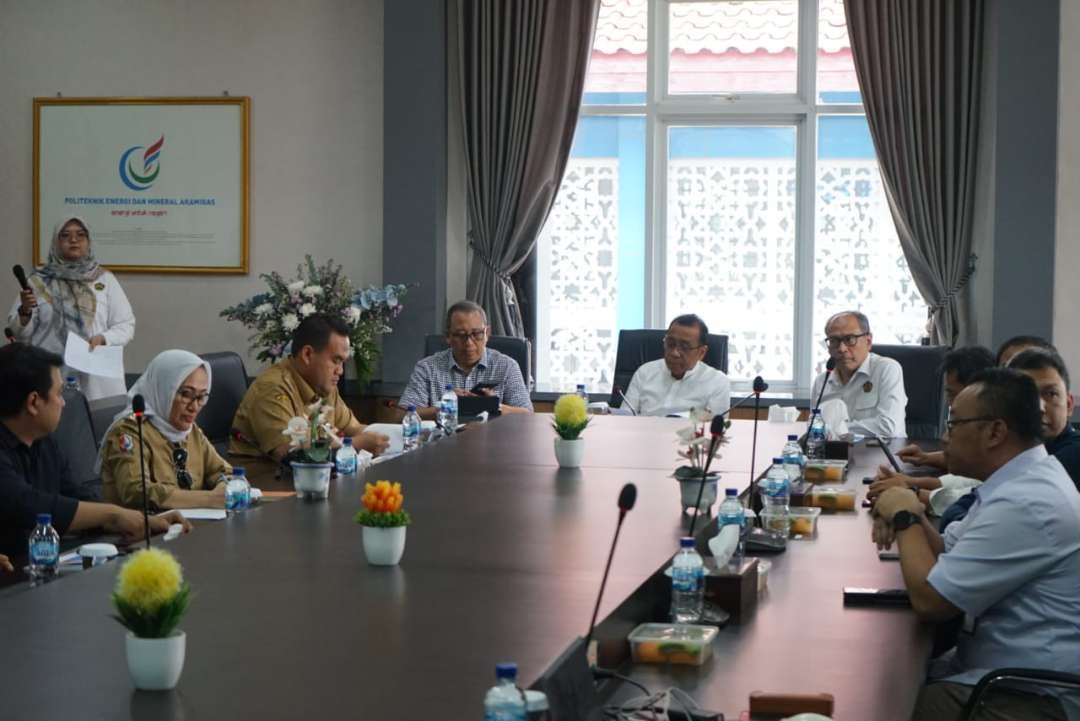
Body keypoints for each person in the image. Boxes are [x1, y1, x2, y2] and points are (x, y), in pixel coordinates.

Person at [872, 369, 1080, 721]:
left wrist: (906, 518)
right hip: (996, 671)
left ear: (995, 432)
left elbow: (931, 601)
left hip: (1034, 696)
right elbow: (950, 554)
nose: (944, 437)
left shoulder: (1028, 502)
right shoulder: (1014, 483)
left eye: (953, 425)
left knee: (887, 704)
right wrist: (913, 510)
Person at [0, 343, 189, 557]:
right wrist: (112, 515)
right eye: (59, 393)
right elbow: (27, 504)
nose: (63, 403)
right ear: (34, 402)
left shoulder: (44, 443)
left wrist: (140, 519)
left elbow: (77, 496)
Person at [6, 217, 135, 400]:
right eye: (65, 235)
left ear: (88, 242)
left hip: (97, 379)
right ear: (55, 242)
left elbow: (126, 325)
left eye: (80, 235)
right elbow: (19, 334)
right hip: (49, 375)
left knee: (97, 427)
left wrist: (104, 338)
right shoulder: (38, 282)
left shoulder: (104, 279)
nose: (73, 240)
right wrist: (25, 312)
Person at [231, 315, 390, 461]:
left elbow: (353, 428)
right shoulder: (272, 388)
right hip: (264, 481)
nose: (340, 370)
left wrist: (385, 438)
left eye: (343, 362)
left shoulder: (324, 385)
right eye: (336, 360)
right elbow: (289, 452)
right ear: (307, 354)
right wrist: (354, 444)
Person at [99, 350, 232, 510]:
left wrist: (225, 487)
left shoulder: (190, 430)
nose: (194, 407)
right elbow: (136, 491)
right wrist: (208, 499)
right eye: (186, 394)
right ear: (162, 389)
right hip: (141, 530)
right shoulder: (130, 430)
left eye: (201, 397)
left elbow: (224, 472)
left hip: (190, 524)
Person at [868, 346, 995, 513]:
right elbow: (968, 481)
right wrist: (916, 472)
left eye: (953, 394)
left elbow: (971, 498)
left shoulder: (993, 423)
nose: (951, 402)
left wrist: (910, 493)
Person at [398, 300, 532, 419]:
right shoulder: (427, 368)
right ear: (448, 336)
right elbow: (402, 415)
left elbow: (527, 415)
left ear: (487, 333)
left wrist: (493, 406)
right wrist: (445, 407)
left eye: (477, 334)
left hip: (491, 442)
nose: (469, 343)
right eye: (461, 335)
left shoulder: (507, 366)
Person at [810, 311, 907, 437]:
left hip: (880, 453)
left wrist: (837, 429)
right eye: (834, 341)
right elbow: (814, 429)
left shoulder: (886, 369)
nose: (841, 348)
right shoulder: (821, 382)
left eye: (850, 339)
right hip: (834, 454)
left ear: (868, 341)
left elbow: (888, 427)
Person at [622, 314, 730, 417]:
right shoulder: (645, 372)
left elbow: (714, 429)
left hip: (689, 435)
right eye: (670, 344)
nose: (674, 353)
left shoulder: (717, 381)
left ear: (701, 352)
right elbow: (624, 417)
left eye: (685, 347)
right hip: (644, 433)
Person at [1008, 348, 1080, 485]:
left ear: (1069, 404)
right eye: (1026, 395)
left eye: (1051, 394)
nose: (1039, 407)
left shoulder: (1075, 454)